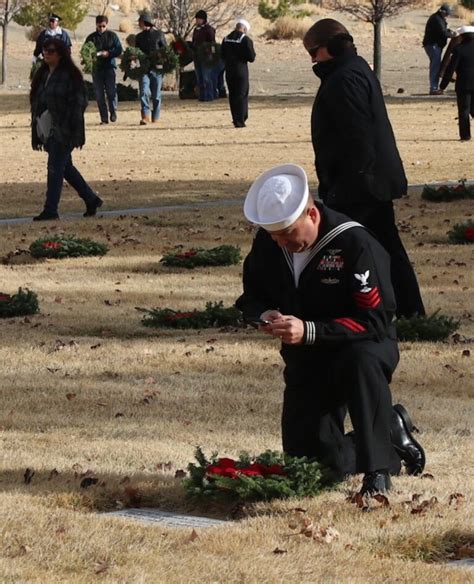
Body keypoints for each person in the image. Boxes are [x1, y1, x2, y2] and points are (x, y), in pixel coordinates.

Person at [236, 164, 426, 496]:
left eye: (287, 233)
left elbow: (375, 319)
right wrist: (264, 314)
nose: (281, 242)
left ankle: (378, 469)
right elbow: (250, 297)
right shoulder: (270, 244)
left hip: (363, 344)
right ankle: (390, 436)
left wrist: (310, 330)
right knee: (316, 468)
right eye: (273, 235)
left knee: (360, 361)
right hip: (307, 359)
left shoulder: (354, 242)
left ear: (311, 214)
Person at [303, 19, 425, 319]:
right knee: (385, 246)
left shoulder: (345, 78)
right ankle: (408, 310)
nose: (312, 59)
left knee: (343, 247)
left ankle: (352, 311)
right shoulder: (352, 70)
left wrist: (343, 186)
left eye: (314, 51)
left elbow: (357, 137)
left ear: (330, 48)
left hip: (359, 185)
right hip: (366, 181)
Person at [30, 38, 103, 221]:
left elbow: (80, 102)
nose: (46, 53)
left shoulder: (70, 76)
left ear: (61, 53)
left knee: (55, 168)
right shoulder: (43, 75)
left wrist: (68, 122)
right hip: (47, 129)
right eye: (45, 50)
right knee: (66, 168)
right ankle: (91, 199)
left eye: (51, 51)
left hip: (65, 129)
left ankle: (50, 210)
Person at [84, 15, 123, 125]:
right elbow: (85, 51)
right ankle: (104, 118)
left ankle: (113, 111)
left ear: (107, 25)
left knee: (111, 92)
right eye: (99, 26)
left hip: (109, 67)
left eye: (103, 26)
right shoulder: (91, 38)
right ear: (96, 25)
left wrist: (109, 53)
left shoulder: (112, 36)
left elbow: (119, 49)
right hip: (97, 69)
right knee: (99, 95)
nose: (101, 28)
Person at [440, 26, 474, 141]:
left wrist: (442, 86)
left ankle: (465, 136)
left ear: (463, 36)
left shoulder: (459, 49)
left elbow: (451, 69)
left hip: (463, 84)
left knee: (464, 110)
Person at [221, 18, 256, 128]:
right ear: (244, 29)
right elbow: (251, 57)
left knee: (232, 95)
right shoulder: (245, 40)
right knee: (241, 94)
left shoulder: (226, 38)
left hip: (229, 71)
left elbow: (221, 55)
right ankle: (241, 119)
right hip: (241, 71)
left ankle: (235, 118)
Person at [135, 12, 167, 125]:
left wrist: (161, 58)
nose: (139, 24)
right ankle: (145, 116)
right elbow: (136, 52)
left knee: (156, 95)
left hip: (157, 69)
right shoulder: (138, 37)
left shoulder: (159, 35)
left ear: (145, 22)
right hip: (143, 69)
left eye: (140, 21)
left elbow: (166, 51)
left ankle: (156, 116)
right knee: (143, 91)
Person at [422, 3, 454, 95]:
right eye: (447, 13)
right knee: (435, 67)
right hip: (433, 45)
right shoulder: (436, 19)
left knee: (435, 66)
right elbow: (443, 32)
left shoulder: (438, 18)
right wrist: (453, 35)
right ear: (442, 12)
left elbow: (443, 30)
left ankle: (434, 87)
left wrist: (449, 32)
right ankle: (433, 88)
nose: (448, 15)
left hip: (434, 45)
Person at [192, 10, 216, 101]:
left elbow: (212, 43)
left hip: (206, 56)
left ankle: (209, 95)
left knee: (207, 77)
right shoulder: (196, 29)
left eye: (199, 19)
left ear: (203, 19)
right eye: (196, 19)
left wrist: (210, 54)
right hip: (197, 56)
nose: (197, 21)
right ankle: (202, 96)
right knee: (199, 77)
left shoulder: (209, 29)